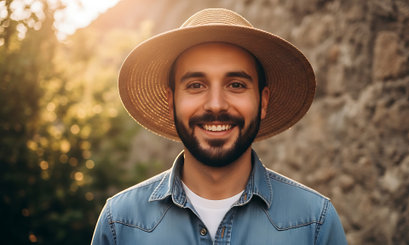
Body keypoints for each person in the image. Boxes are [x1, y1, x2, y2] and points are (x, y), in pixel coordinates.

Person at [91, 8, 347, 244]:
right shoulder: (120, 223)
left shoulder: (314, 222)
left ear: (263, 101)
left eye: (236, 84)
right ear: (171, 102)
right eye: (196, 85)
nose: (215, 105)